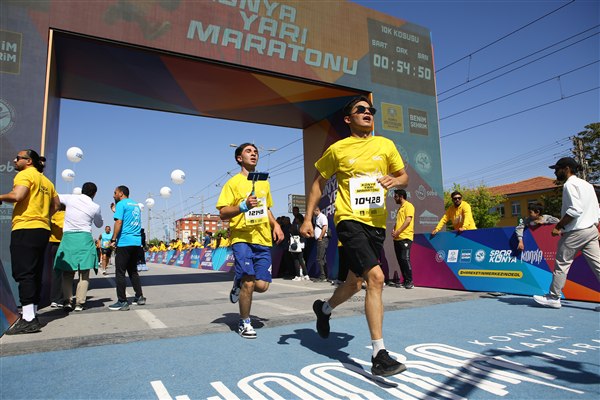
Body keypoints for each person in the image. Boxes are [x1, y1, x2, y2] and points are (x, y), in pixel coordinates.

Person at [300, 96, 409, 376]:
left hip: (376, 224)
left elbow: (403, 176)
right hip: (349, 220)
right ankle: (379, 355)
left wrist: (395, 180)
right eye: (361, 110)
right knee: (376, 278)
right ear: (348, 119)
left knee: (354, 283)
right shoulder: (337, 149)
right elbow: (318, 183)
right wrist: (308, 218)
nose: (367, 113)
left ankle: (324, 309)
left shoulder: (385, 145)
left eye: (370, 110)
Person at [216, 143, 283, 339]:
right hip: (242, 237)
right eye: (249, 151)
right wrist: (243, 206)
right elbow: (223, 213)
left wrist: (276, 225)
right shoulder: (232, 183)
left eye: (256, 152)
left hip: (262, 238)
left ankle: (237, 281)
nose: (253, 154)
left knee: (261, 286)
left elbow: (266, 208)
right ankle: (245, 322)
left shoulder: (264, 183)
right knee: (249, 282)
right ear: (239, 158)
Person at [0, 149, 60, 334]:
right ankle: (31, 314)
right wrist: (43, 216)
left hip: (25, 228)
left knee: (24, 273)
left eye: (18, 158)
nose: (14, 160)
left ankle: (28, 320)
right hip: (42, 229)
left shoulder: (25, 175)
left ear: (28, 161)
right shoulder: (47, 182)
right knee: (34, 273)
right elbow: (56, 205)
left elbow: (17, 196)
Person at [533, 157, 600, 310]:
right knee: (598, 266)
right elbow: (597, 209)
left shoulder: (569, 185)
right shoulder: (587, 185)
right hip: (591, 230)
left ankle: (553, 297)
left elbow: (575, 210)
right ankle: (554, 296)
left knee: (562, 264)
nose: (555, 172)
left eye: (557, 169)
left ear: (567, 169)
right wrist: (596, 225)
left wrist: (559, 226)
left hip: (575, 231)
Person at [54, 182, 104, 312]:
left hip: (69, 238)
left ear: (82, 190)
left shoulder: (70, 198)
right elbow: (99, 224)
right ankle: (79, 303)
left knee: (67, 272)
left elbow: (55, 196)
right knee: (84, 273)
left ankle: (67, 301)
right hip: (84, 238)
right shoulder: (95, 206)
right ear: (94, 193)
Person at [109, 185, 146, 311]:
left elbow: (119, 222)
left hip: (124, 242)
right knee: (133, 271)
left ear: (121, 193)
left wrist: (113, 239)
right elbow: (128, 219)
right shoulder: (135, 205)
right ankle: (139, 296)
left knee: (120, 272)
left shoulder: (121, 204)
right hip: (136, 242)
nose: (113, 195)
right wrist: (116, 209)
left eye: (115, 193)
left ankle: (122, 301)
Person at [391, 189, 415, 289]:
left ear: (401, 197)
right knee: (400, 260)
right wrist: (394, 230)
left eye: (396, 196)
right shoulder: (400, 208)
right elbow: (398, 222)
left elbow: (408, 221)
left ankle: (410, 281)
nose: (394, 198)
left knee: (405, 259)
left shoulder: (409, 206)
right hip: (397, 238)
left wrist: (398, 231)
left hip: (405, 237)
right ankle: (405, 281)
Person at [48, 204, 66, 308]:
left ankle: (54, 299)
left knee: (55, 272)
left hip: (54, 244)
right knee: (66, 273)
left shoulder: (52, 215)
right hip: (66, 244)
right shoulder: (68, 215)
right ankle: (63, 299)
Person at [313, 206, 330, 281]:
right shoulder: (317, 218)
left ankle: (323, 276)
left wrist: (320, 237)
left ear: (317, 210)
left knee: (320, 258)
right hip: (320, 240)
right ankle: (325, 275)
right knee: (322, 258)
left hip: (322, 240)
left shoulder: (322, 217)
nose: (313, 213)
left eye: (313, 211)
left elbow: (324, 227)